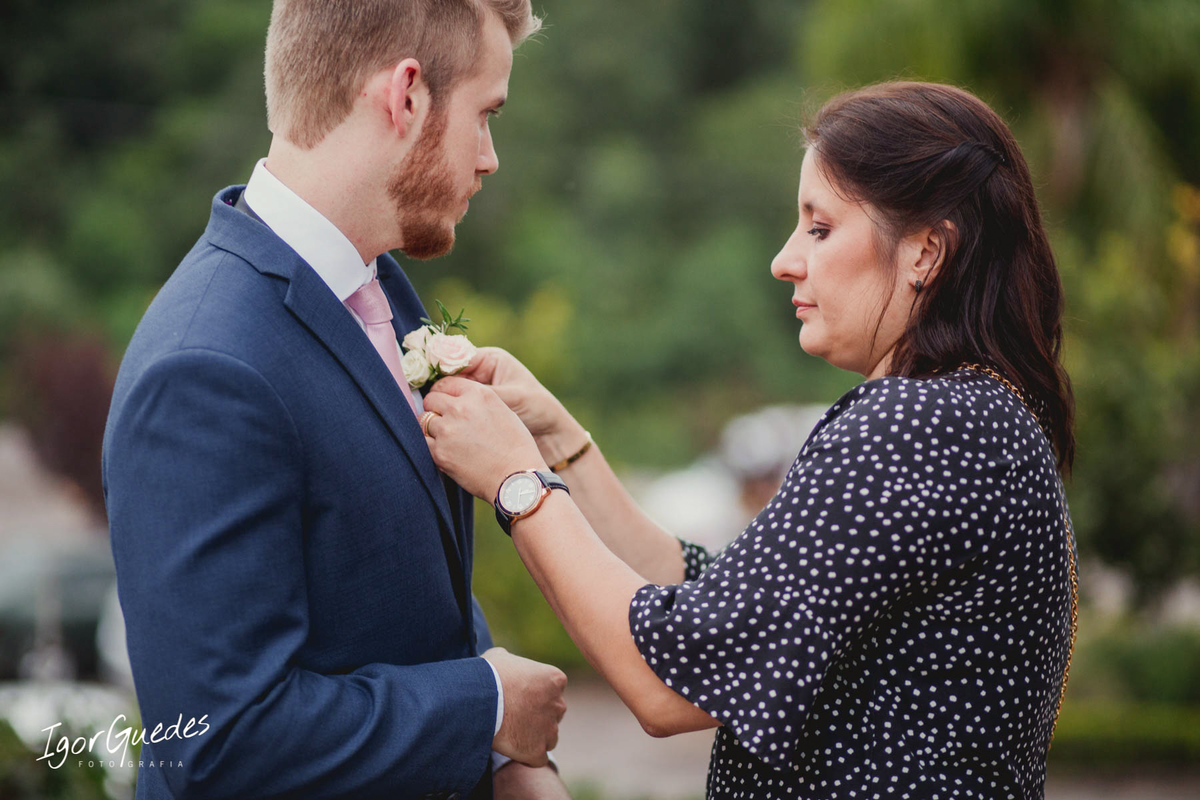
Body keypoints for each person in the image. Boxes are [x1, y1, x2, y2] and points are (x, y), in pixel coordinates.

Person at [419, 81, 1078, 799]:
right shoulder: (975, 418)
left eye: (820, 229)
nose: (785, 260)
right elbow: (724, 613)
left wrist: (517, 481)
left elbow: (667, 685)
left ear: (925, 252)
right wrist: (556, 439)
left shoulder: (914, 427)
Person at [102, 2, 572, 798]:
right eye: (486, 115)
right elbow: (219, 744)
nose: (490, 158)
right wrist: (485, 708)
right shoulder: (204, 368)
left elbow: (413, 599)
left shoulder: (378, 285)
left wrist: (516, 772)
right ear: (407, 96)